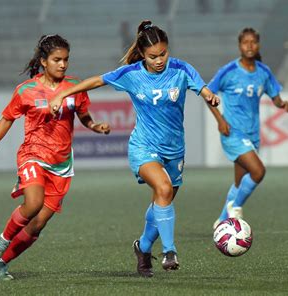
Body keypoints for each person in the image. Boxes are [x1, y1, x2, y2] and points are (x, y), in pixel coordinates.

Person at [49, 20, 219, 277]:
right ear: (142, 54)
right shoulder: (132, 74)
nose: (159, 60)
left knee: (163, 200)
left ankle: (143, 247)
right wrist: (63, 94)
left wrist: (209, 95)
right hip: (144, 146)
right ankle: (169, 251)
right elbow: (97, 81)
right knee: (162, 189)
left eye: (163, 53)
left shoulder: (181, 69)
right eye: (153, 56)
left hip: (174, 149)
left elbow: (203, 89)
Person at [0, 34, 111, 281]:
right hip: (33, 155)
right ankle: (2, 240)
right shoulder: (26, 90)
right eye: (57, 59)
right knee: (33, 203)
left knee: (37, 225)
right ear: (44, 61)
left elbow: (83, 115)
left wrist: (94, 126)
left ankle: (1, 263)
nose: (63, 64)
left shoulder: (74, 87)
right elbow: (7, 118)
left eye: (66, 59)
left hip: (62, 163)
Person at [208, 28, 288, 229]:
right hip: (232, 132)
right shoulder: (229, 71)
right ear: (239, 46)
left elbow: (275, 96)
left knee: (240, 182)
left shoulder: (263, 72)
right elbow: (208, 95)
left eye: (253, 42)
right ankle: (235, 209)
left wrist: (282, 104)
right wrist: (220, 120)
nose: (249, 46)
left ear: (258, 44)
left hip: (252, 134)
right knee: (258, 171)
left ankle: (222, 221)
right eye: (245, 42)